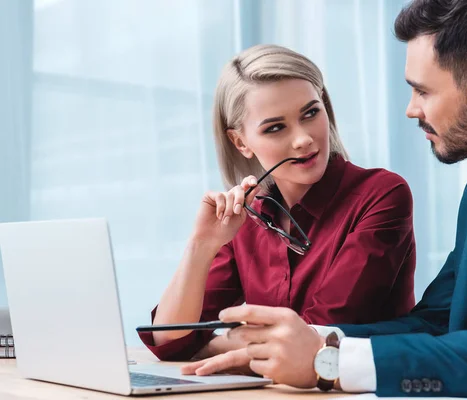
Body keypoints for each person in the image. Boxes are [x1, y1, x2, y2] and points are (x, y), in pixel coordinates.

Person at [211, 0, 467, 397]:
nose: (411, 109)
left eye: (422, 91)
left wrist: (330, 363)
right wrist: (314, 340)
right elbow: (437, 321)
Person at [138, 44, 417, 374]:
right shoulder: (247, 217)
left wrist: (218, 343)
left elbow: (317, 336)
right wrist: (201, 246)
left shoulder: (382, 195)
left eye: (310, 113)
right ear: (241, 143)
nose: (303, 140)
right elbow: (171, 341)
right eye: (275, 127)